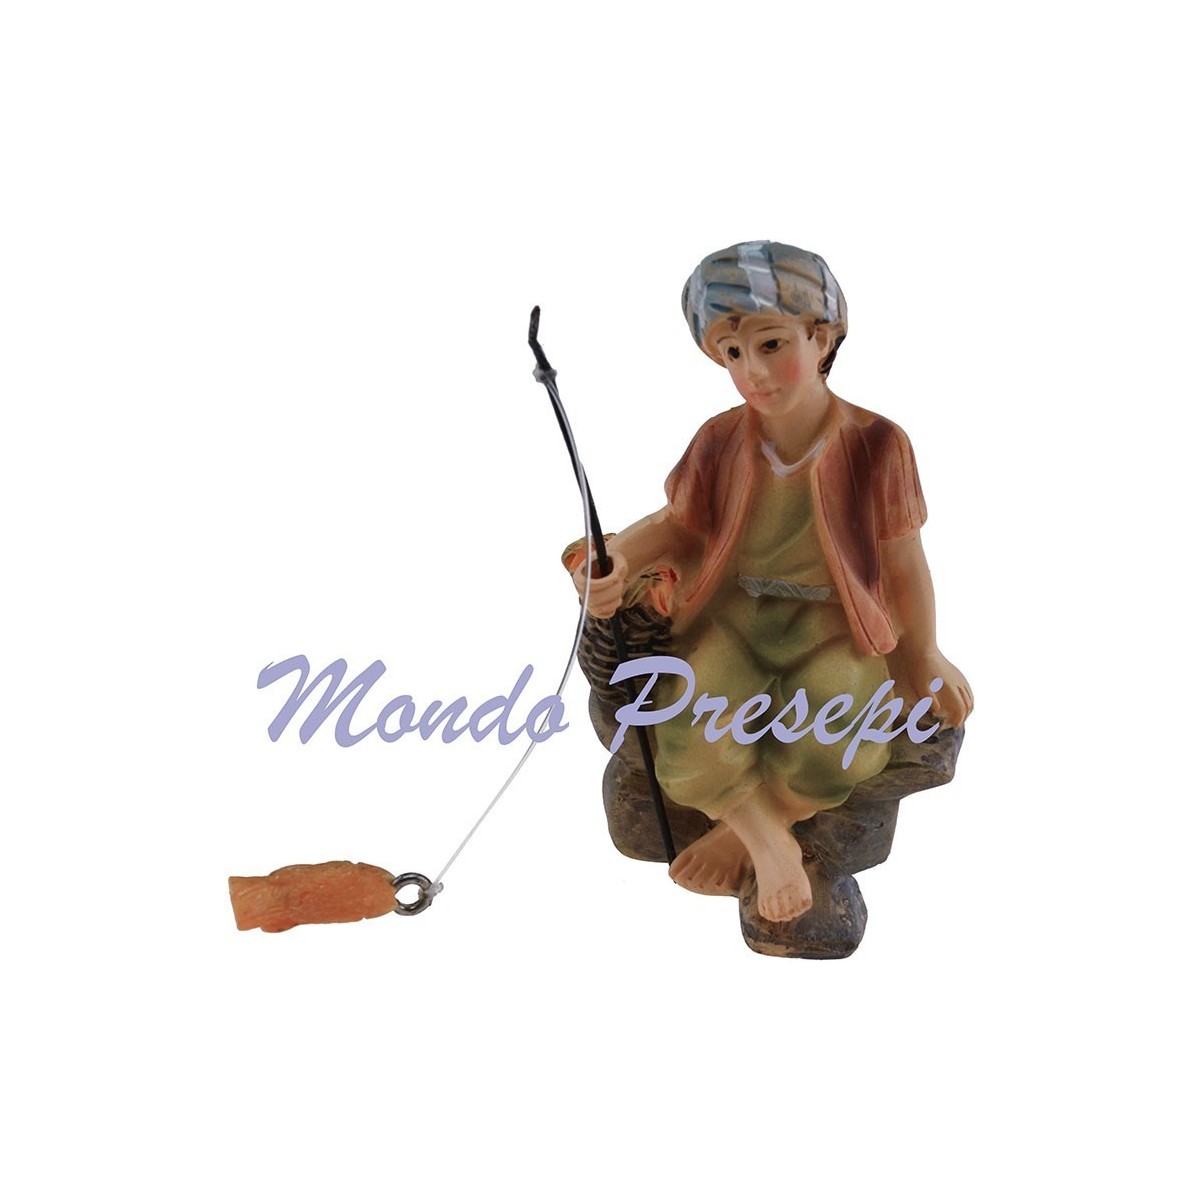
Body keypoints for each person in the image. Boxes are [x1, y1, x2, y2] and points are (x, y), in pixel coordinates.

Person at [573, 242, 973, 923]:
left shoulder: (878, 444)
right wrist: (611, 558)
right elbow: (676, 526)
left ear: (822, 338)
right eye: (732, 353)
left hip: (835, 627)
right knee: (692, 715)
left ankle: (757, 825)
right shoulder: (719, 440)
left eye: (770, 344)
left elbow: (904, 566)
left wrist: (922, 653)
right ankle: (768, 839)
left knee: (840, 722)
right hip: (730, 616)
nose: (752, 371)